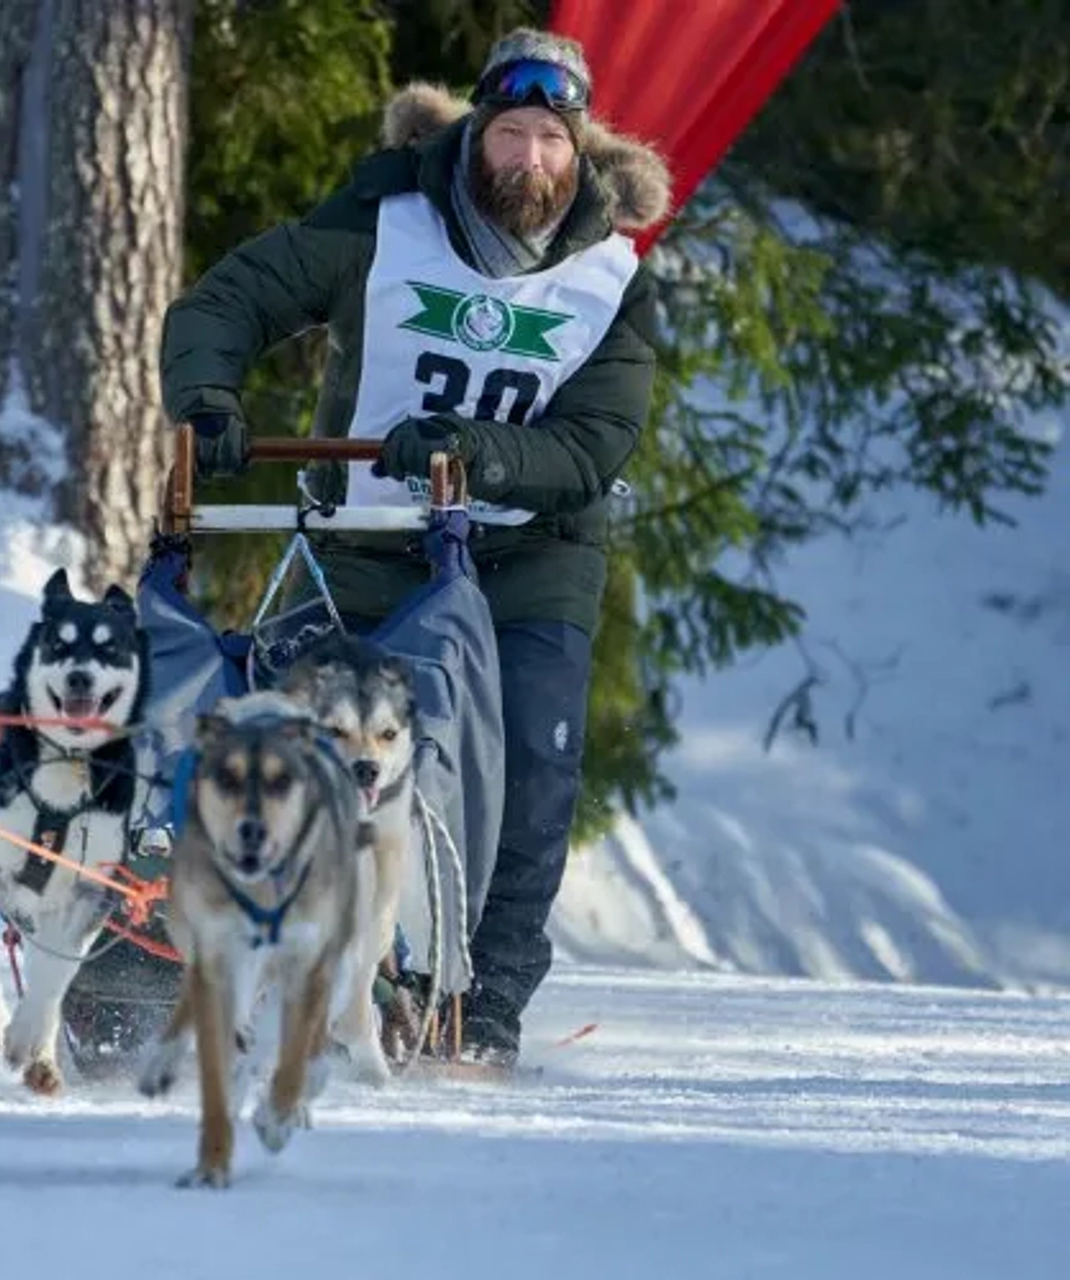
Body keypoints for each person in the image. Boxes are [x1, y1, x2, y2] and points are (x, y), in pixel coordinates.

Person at [157, 29, 671, 1066]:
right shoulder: (384, 219)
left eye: (551, 142)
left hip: (529, 553)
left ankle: (486, 1001)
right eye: (513, 133)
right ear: (479, 131)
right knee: (285, 734)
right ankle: (223, 952)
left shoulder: (616, 277)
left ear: (582, 153)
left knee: (529, 766)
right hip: (364, 533)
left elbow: (591, 443)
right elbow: (233, 299)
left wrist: (475, 452)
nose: (530, 160)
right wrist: (207, 392)